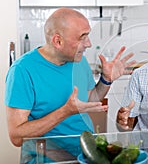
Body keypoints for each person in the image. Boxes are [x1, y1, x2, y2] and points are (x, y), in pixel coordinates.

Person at [4, 8, 136, 148]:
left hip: (86, 150)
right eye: (82, 37)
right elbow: (16, 137)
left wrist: (106, 80)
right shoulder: (22, 70)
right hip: (47, 155)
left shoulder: (79, 61)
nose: (89, 44)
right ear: (58, 41)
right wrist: (65, 111)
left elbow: (90, 99)